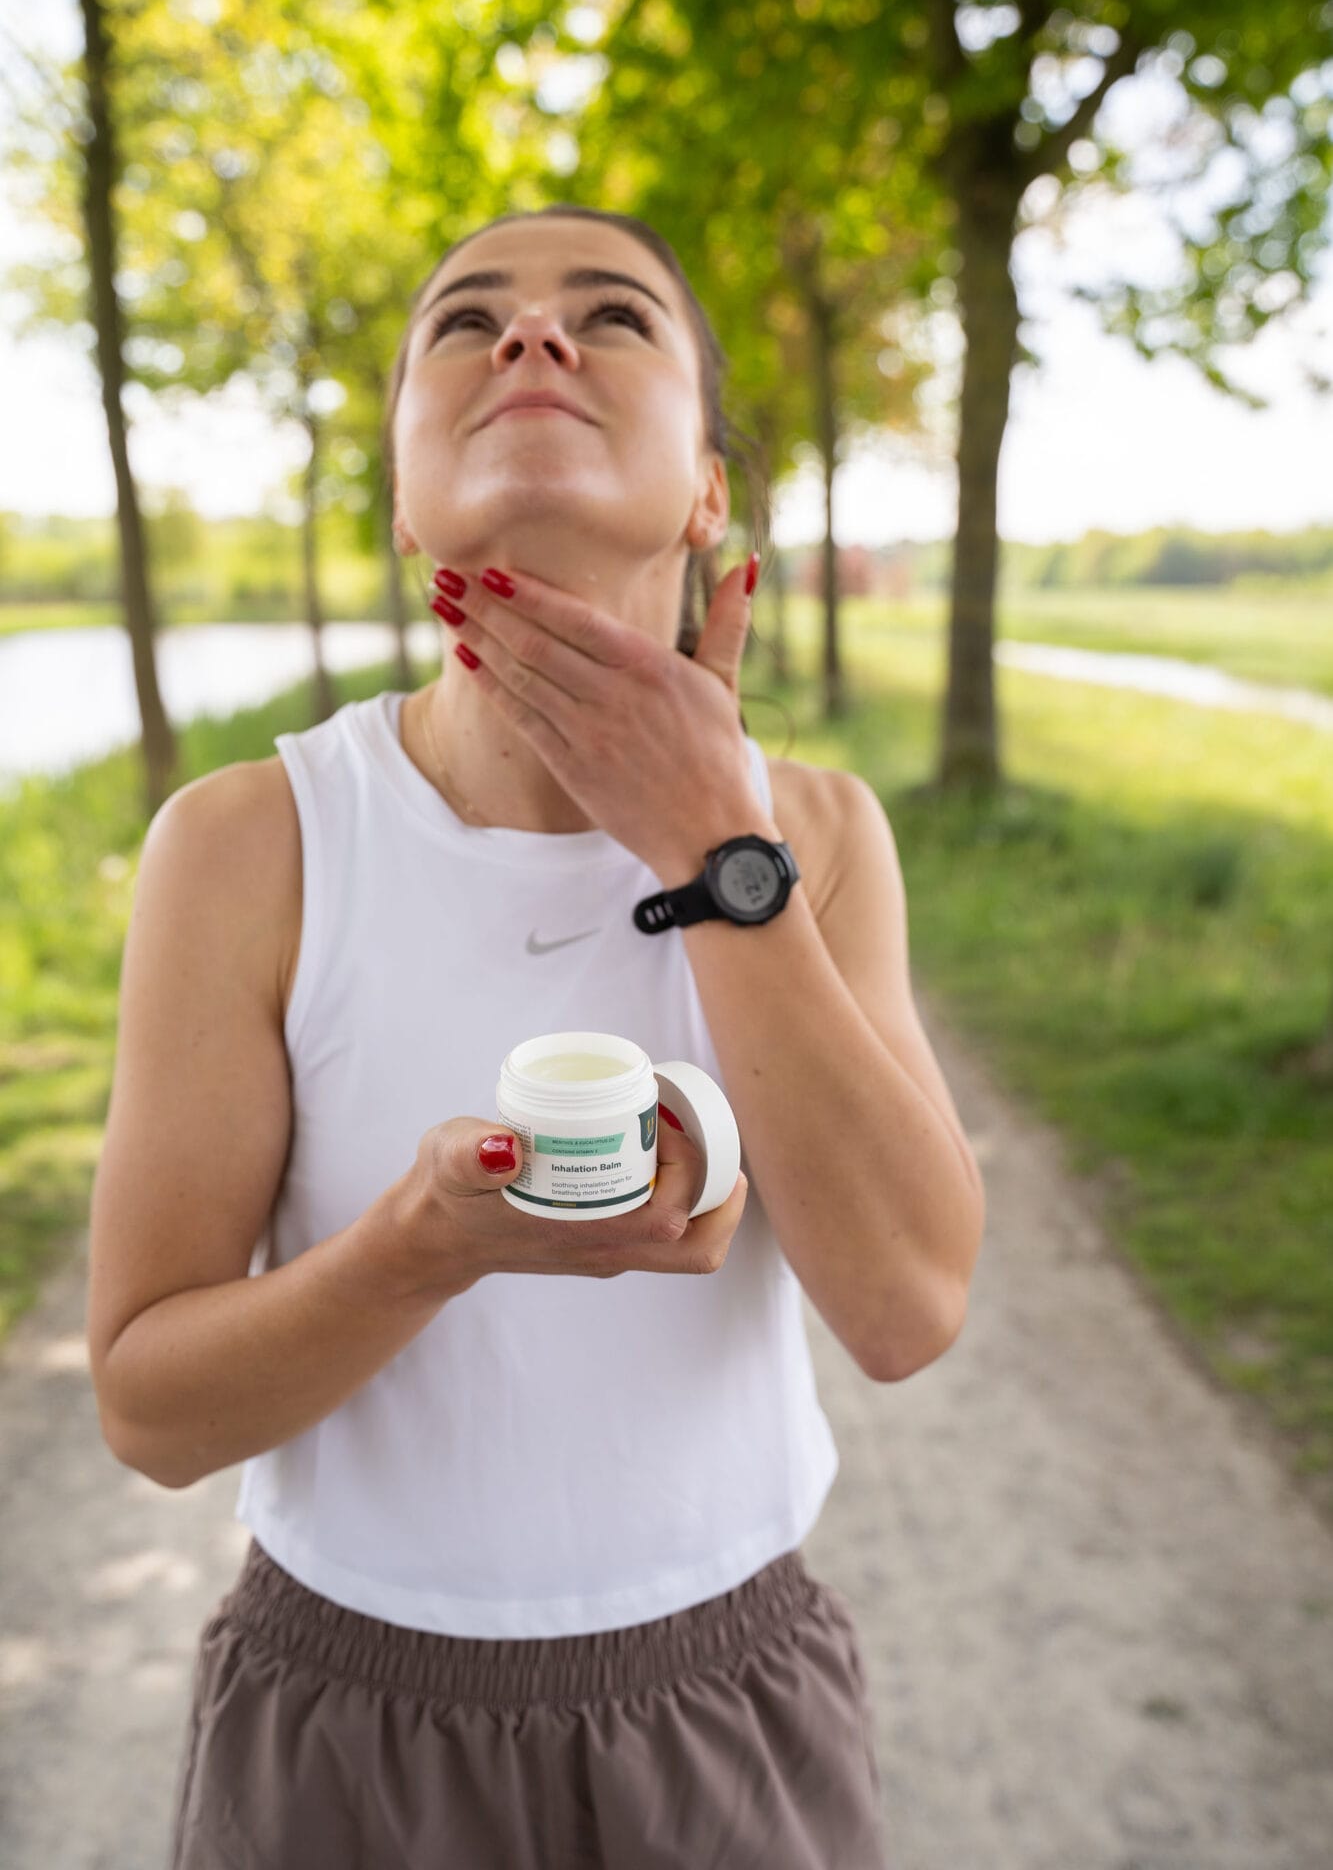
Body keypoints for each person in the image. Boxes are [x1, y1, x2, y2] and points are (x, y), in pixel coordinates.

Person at [88, 204, 984, 1868]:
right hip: (340, 1733)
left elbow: (907, 1307)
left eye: (612, 314)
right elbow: (150, 1413)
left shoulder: (825, 832)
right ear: (406, 493)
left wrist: (723, 867)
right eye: (466, 320)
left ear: (709, 488)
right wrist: (418, 1251)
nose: (531, 337)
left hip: (725, 1708)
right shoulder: (245, 846)